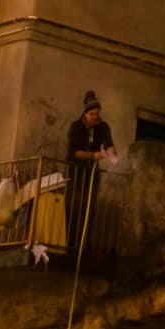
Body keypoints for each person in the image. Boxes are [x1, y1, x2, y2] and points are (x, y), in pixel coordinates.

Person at [64, 92, 117, 251]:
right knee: (74, 207)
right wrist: (93, 155)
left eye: (97, 113)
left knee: (89, 208)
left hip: (92, 173)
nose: (96, 117)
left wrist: (113, 155)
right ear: (85, 114)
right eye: (92, 114)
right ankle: (69, 244)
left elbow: (108, 144)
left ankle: (84, 245)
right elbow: (71, 153)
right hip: (76, 173)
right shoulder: (76, 127)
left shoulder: (102, 127)